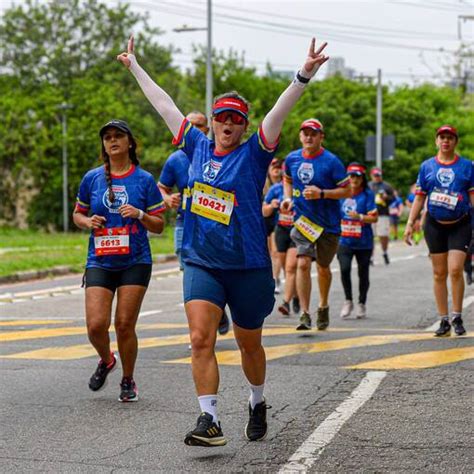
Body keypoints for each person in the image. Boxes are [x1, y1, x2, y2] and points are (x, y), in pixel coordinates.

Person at [118, 36, 329, 445]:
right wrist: (136, 67)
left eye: (235, 119)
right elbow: (165, 106)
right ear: (211, 122)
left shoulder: (254, 153)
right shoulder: (194, 145)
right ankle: (208, 418)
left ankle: (256, 399)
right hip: (202, 260)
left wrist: (303, 75)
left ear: (245, 126)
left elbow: (278, 111)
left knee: (250, 345)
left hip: (248, 264)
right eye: (221, 118)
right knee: (200, 337)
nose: (227, 124)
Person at [73, 120, 166, 402]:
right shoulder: (92, 178)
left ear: (129, 143)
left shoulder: (144, 180)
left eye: (118, 136)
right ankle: (106, 359)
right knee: (95, 326)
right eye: (108, 138)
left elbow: (159, 225)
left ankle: (128, 379)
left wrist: (139, 214)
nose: (112, 141)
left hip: (135, 261)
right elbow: (78, 215)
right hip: (100, 259)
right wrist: (89, 221)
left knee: (124, 324)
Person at [158, 111, 230, 336]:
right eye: (189, 125)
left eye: (199, 126)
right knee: (189, 268)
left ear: (207, 130)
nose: (194, 129)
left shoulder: (219, 155)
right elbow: (162, 187)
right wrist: (167, 198)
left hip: (216, 224)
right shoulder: (176, 159)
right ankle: (201, 325)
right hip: (185, 222)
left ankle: (218, 305)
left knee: (219, 270)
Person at [281, 119, 350, 331]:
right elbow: (287, 179)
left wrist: (322, 193)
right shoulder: (292, 159)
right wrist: (287, 198)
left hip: (328, 224)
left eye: (314, 133)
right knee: (302, 263)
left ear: (321, 137)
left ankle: (323, 305)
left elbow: (346, 191)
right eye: (305, 133)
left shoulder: (331, 162)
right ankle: (304, 313)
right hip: (303, 222)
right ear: (300, 136)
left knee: (322, 267)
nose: (309, 137)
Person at [404, 125, 473, 337]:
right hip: (434, 225)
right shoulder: (427, 167)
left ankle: (457, 315)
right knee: (439, 272)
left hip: (460, 223)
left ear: (455, 142)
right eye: (442, 137)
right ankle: (443, 320)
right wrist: (410, 222)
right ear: (436, 141)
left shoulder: (467, 166)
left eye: (450, 138)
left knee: (455, 269)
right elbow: (419, 196)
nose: (446, 141)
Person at [337, 163, 378, 319]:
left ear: (362, 178)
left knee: (363, 273)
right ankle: (348, 301)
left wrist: (360, 217)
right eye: (351, 176)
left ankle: (361, 303)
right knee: (345, 269)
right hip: (344, 241)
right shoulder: (340, 194)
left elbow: (374, 217)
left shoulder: (368, 195)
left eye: (357, 176)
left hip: (364, 242)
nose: (354, 179)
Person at [262, 171, 299, 316]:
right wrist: (272, 206)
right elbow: (264, 212)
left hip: (298, 231)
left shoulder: (302, 189)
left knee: (290, 268)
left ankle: (286, 302)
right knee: (284, 266)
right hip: (281, 230)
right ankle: (295, 295)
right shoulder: (275, 189)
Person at [262, 158, 284, 294]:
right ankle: (268, 277)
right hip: (263, 219)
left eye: (278, 168)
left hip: (277, 219)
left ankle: (275, 278)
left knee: (276, 252)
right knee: (266, 252)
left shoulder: (284, 185)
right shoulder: (264, 182)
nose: (276, 171)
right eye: (273, 168)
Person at [368, 167, 394, 264]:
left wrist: (387, 198)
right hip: (370, 214)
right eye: (375, 176)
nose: (377, 177)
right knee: (370, 236)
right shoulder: (368, 186)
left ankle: (384, 252)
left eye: (378, 175)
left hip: (383, 214)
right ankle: (370, 257)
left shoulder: (387, 186)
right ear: (371, 176)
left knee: (383, 235)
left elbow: (393, 199)